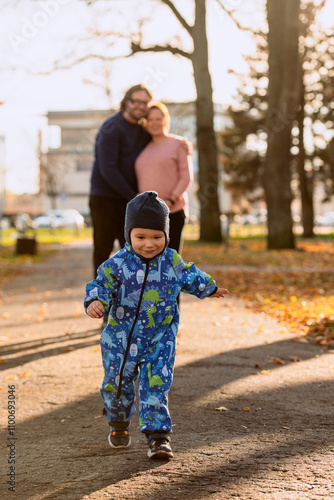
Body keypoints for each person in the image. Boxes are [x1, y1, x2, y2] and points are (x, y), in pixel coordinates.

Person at [84, 191, 229, 459]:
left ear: (166, 235)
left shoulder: (172, 262)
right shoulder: (117, 264)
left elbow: (191, 275)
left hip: (160, 336)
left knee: (156, 382)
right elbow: (100, 285)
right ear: (128, 235)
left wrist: (211, 288)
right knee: (117, 383)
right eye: (141, 237)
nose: (149, 244)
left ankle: (158, 437)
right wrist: (95, 300)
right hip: (121, 337)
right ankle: (118, 424)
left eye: (156, 237)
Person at [89, 83, 153, 277]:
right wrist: (133, 197)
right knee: (103, 251)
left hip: (130, 201)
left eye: (145, 103)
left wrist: (180, 144)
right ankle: (99, 301)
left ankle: (129, 302)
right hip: (105, 199)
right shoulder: (111, 127)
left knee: (133, 253)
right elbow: (108, 169)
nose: (141, 106)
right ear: (126, 102)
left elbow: (160, 146)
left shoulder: (144, 132)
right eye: (136, 101)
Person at [135, 102, 193, 253]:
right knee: (150, 264)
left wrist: (170, 202)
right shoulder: (142, 147)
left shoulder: (178, 144)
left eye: (158, 119)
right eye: (151, 119)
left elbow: (186, 177)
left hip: (172, 212)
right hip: (147, 215)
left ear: (165, 120)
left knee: (170, 264)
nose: (154, 123)